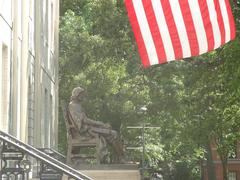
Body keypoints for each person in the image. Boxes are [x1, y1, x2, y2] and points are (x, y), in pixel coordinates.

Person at [68, 86, 124, 162]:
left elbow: (84, 120)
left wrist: (101, 125)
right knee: (113, 134)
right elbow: (84, 121)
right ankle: (121, 158)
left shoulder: (76, 105)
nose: (83, 96)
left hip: (88, 130)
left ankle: (119, 158)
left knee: (111, 133)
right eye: (81, 94)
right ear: (77, 94)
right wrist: (100, 124)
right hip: (85, 132)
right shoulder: (74, 105)